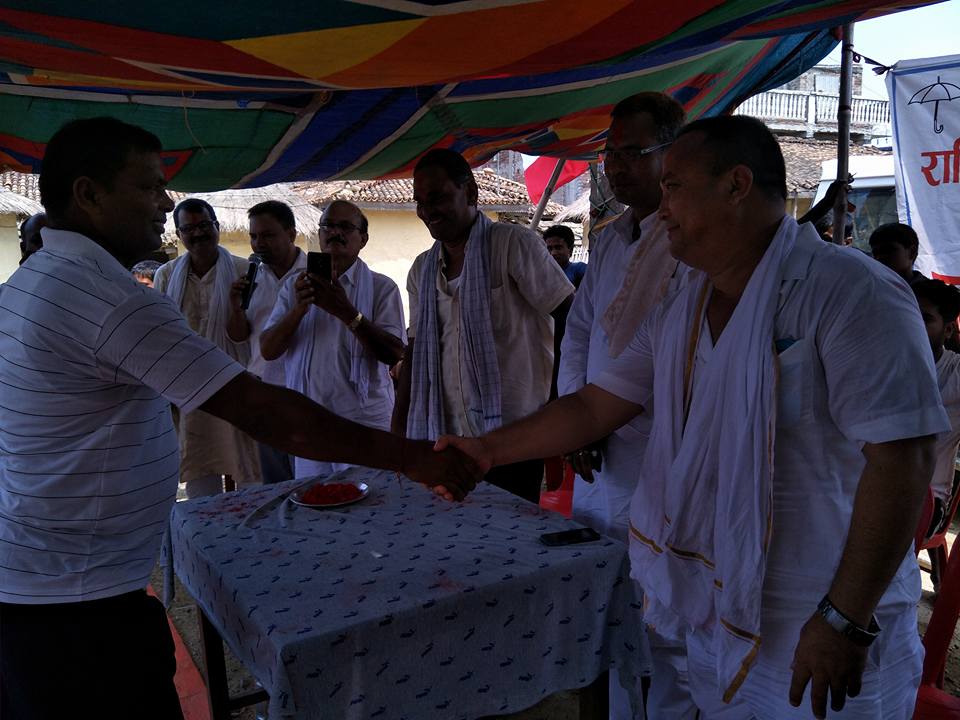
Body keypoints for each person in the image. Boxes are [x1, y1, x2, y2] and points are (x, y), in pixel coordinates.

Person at [437, 116, 946, 719]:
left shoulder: (850, 292)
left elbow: (903, 458)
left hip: (819, 619)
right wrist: (486, 451)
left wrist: (845, 617)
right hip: (717, 603)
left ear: (736, 185)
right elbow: (595, 405)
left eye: (674, 186)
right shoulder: (683, 305)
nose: (663, 207)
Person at [0, 116, 478, 720]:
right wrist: (412, 457)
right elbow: (263, 407)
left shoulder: (35, 281)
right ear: (89, 194)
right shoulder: (107, 297)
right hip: (75, 608)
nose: (166, 203)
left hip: (53, 586)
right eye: (149, 186)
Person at [558, 91, 696, 720]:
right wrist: (575, 417)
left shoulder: (691, 240)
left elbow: (675, 356)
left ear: (673, 154)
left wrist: (597, 415)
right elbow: (580, 329)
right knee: (607, 602)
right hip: (596, 447)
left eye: (632, 152)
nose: (615, 166)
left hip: (656, 450)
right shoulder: (611, 241)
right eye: (610, 153)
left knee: (663, 620)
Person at [393, 148, 575, 503]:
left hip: (516, 436)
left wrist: (560, 406)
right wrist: (399, 428)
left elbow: (569, 319)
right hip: (444, 438)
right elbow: (415, 351)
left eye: (438, 197)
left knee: (511, 530)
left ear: (471, 193)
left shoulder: (512, 244)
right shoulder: (421, 270)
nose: (427, 211)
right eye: (420, 202)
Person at [261, 200, 405, 478]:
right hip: (309, 423)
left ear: (363, 239)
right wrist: (298, 310)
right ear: (319, 233)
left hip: (365, 423)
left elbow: (394, 353)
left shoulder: (382, 288)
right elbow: (268, 350)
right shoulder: (294, 287)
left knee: (370, 500)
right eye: (327, 226)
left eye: (345, 227)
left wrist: (346, 311)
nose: (335, 233)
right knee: (316, 499)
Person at [154, 199, 261, 497]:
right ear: (179, 234)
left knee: (248, 466)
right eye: (189, 229)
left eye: (203, 225)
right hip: (190, 390)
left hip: (236, 383)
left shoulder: (244, 271)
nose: (198, 233)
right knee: (200, 468)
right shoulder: (166, 275)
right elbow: (164, 334)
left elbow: (250, 334)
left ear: (217, 226)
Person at [244, 200, 307, 483]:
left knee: (310, 476)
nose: (259, 244)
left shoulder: (315, 274)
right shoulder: (250, 278)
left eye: (268, 235)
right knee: (276, 482)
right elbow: (239, 334)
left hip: (305, 391)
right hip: (264, 391)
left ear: (291, 234)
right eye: (254, 236)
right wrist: (235, 308)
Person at [914, 279, 960, 536]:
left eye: (925, 318)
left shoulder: (955, 373)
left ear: (948, 330)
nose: (913, 323)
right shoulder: (882, 360)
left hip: (927, 500)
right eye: (909, 312)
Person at [544, 224, 587, 288]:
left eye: (558, 247)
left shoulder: (579, 269)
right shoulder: (541, 273)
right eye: (549, 248)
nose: (553, 253)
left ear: (570, 250)